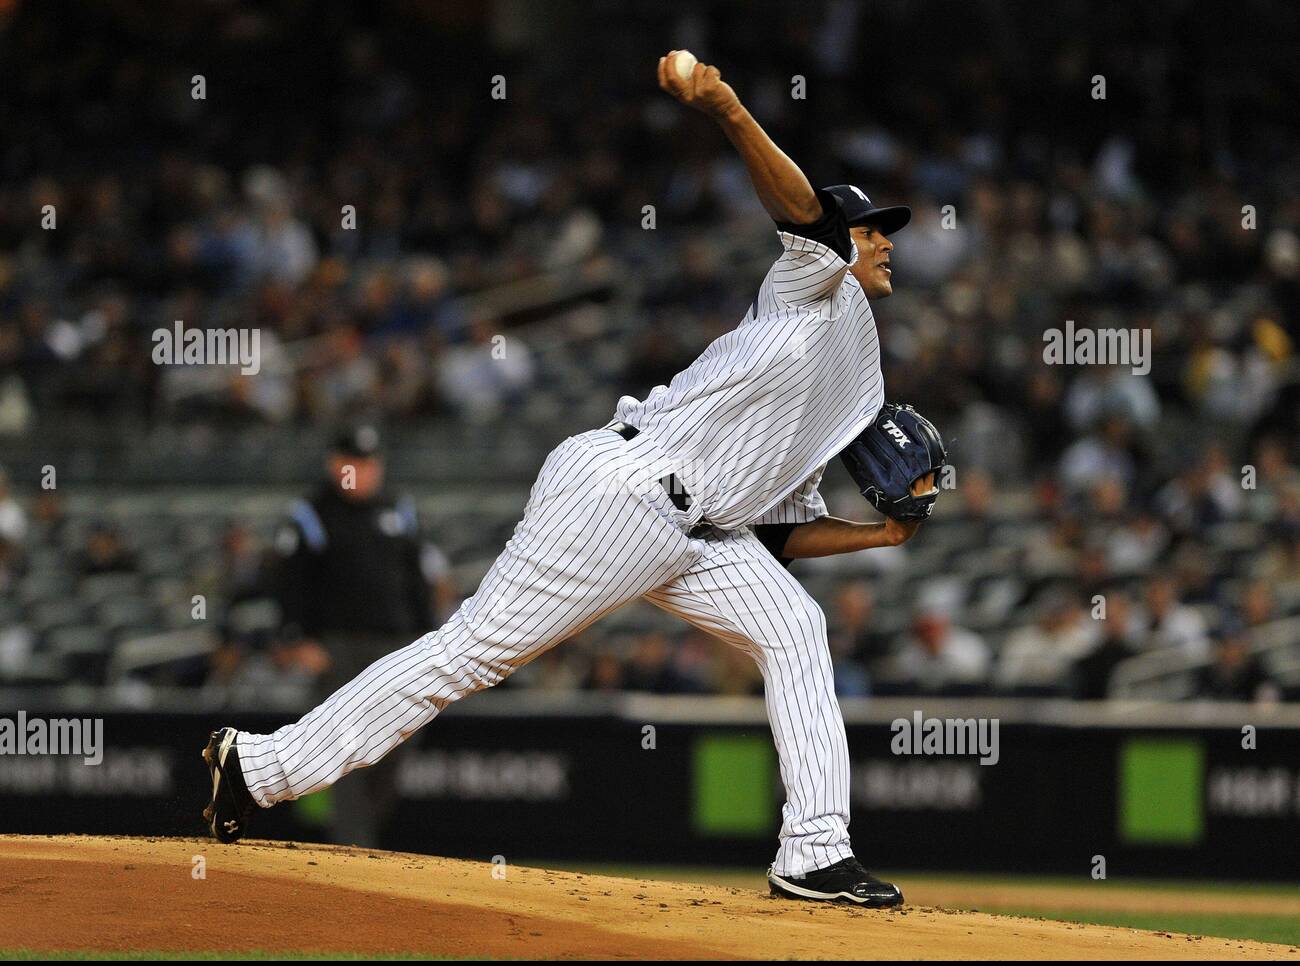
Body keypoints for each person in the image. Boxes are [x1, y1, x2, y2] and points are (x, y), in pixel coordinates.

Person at [204, 52, 923, 908]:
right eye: (872, 229)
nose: (885, 241)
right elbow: (803, 209)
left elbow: (777, 534)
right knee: (467, 656)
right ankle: (259, 766)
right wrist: (726, 106)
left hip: (697, 534)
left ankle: (813, 851)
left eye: (888, 230)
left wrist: (876, 534)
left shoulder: (855, 369)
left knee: (796, 628)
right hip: (622, 492)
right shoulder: (818, 286)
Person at [264, 424, 456, 845]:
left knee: (397, 742)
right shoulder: (312, 513)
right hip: (339, 648)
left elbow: (417, 579)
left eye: (370, 463)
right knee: (343, 748)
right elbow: (288, 583)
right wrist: (297, 639)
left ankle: (358, 838)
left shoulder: (398, 509)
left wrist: (431, 636)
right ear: (335, 464)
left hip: (396, 646)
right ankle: (352, 846)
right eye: (353, 462)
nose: (362, 472)